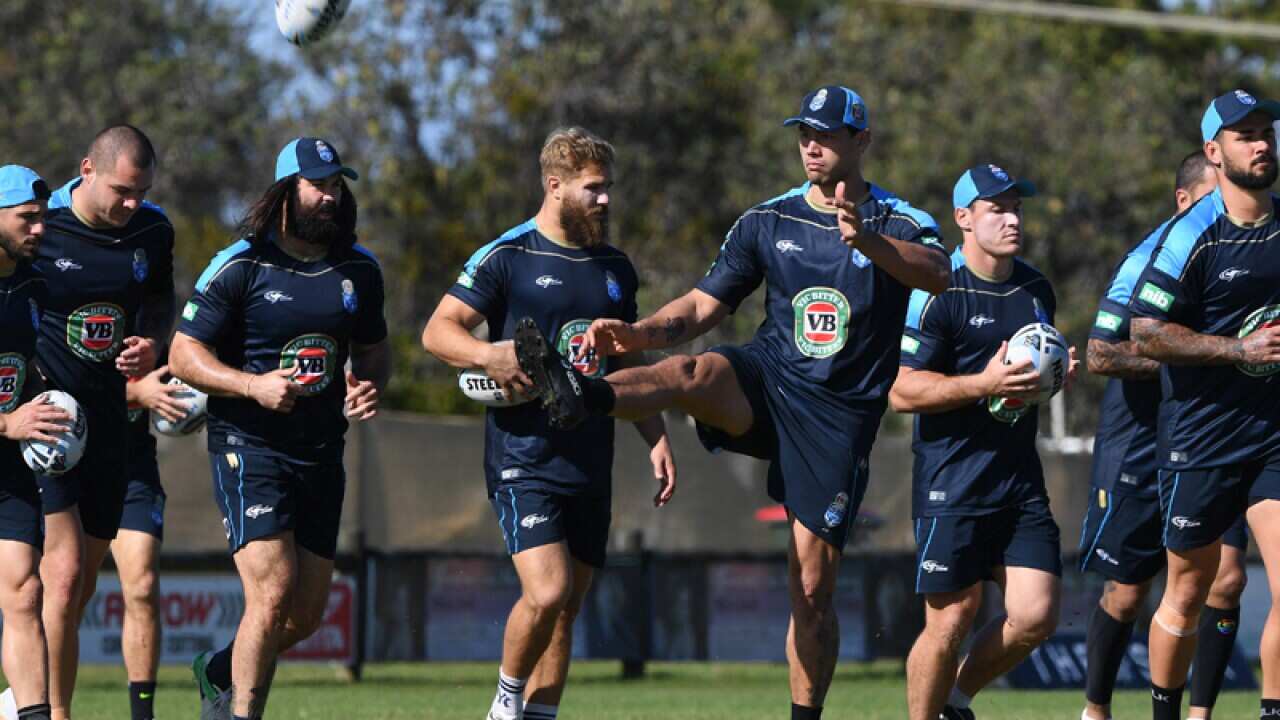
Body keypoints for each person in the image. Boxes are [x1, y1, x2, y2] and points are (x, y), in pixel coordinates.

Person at [516, 87, 950, 719]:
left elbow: (939, 273)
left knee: (811, 589)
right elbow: (701, 306)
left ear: (862, 142)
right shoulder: (767, 220)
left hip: (837, 418)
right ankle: (584, 394)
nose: (810, 146)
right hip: (770, 380)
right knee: (692, 370)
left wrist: (870, 244)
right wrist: (636, 334)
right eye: (803, 133)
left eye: (826, 135)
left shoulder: (900, 221)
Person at [422, 126, 676, 720]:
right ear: (555, 186)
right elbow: (437, 332)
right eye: (593, 188)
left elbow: (625, 363)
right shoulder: (508, 255)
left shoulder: (616, 267)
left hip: (590, 457)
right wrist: (488, 355)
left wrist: (657, 434)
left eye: (608, 188)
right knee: (549, 589)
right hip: (524, 458)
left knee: (566, 611)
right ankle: (505, 700)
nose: (605, 199)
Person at [170, 136, 390, 720]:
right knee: (270, 593)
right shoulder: (241, 264)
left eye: (336, 185)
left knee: (305, 616)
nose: (330, 196)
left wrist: (369, 384)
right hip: (250, 447)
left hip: (321, 451)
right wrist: (252, 385)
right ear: (285, 191)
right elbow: (183, 354)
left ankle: (219, 670)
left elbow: (374, 350)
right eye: (317, 185)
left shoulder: (359, 269)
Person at [891, 165, 1077, 720]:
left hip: (1019, 483)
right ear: (964, 218)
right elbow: (902, 391)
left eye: (1016, 208)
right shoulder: (936, 290)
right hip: (952, 481)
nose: (1012, 219)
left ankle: (955, 701)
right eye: (997, 209)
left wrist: (1053, 377)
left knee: (1036, 615)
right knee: (950, 619)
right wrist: (985, 384)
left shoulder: (1036, 289)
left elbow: (1030, 376)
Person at [1079, 150, 1247, 720]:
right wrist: (1202, 355)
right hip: (1140, 438)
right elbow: (1100, 354)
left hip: (1214, 436)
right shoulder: (1151, 257)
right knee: (1128, 593)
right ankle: (1096, 709)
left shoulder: (1247, 248)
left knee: (1226, 581)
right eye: (1213, 197)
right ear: (1183, 201)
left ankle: (1198, 716)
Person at [1129, 89, 1280, 720]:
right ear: (1214, 153)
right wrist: (1236, 348)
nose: (1262, 144)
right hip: (1202, 436)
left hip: (1274, 434)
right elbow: (1144, 332)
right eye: (1246, 136)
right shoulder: (1191, 236)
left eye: (1266, 131)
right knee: (1189, 589)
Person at [33, 126, 174, 720]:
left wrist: (153, 344)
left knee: (80, 586)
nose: (132, 203)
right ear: (87, 169)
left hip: (117, 430)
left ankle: (23, 694)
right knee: (62, 579)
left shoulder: (153, 230)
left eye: (142, 192)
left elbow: (160, 303)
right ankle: (51, 713)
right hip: (52, 426)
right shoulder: (38, 227)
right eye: (122, 191)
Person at [0, 165, 64, 720]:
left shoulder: (34, 286)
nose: (39, 229)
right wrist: (7, 423)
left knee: (25, 591)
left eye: (42, 218)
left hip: (8, 467)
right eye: (27, 218)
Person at [113, 359, 191, 720]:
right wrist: (133, 393)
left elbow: (187, 364)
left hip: (133, 471)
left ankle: (142, 714)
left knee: (143, 586)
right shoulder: (53, 327)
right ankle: (32, 700)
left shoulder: (150, 330)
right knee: (65, 593)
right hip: (72, 470)